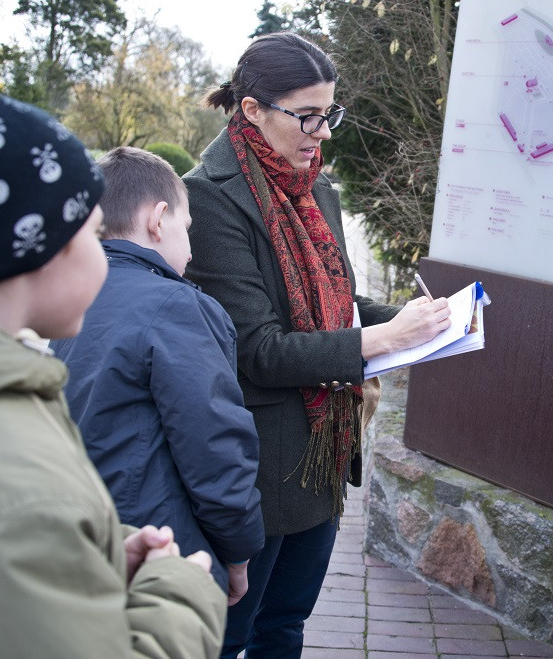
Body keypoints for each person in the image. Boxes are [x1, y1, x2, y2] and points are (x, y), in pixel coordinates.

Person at [0, 92, 225, 656]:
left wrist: (91, 557)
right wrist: (180, 591)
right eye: (94, 230)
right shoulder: (11, 492)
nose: (103, 251)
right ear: (37, 248)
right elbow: (19, 525)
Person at [184, 32, 452, 658]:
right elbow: (260, 349)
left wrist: (425, 320)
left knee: (287, 626)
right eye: (307, 115)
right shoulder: (208, 198)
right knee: (231, 636)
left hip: (324, 449)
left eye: (330, 113)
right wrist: (381, 338)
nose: (322, 131)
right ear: (251, 109)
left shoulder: (315, 187)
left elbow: (339, 303)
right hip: (260, 463)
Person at [50, 146, 264, 603]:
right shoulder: (178, 308)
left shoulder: (61, 296)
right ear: (158, 218)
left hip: (72, 536)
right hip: (152, 550)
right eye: (187, 230)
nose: (189, 249)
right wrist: (239, 552)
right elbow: (214, 445)